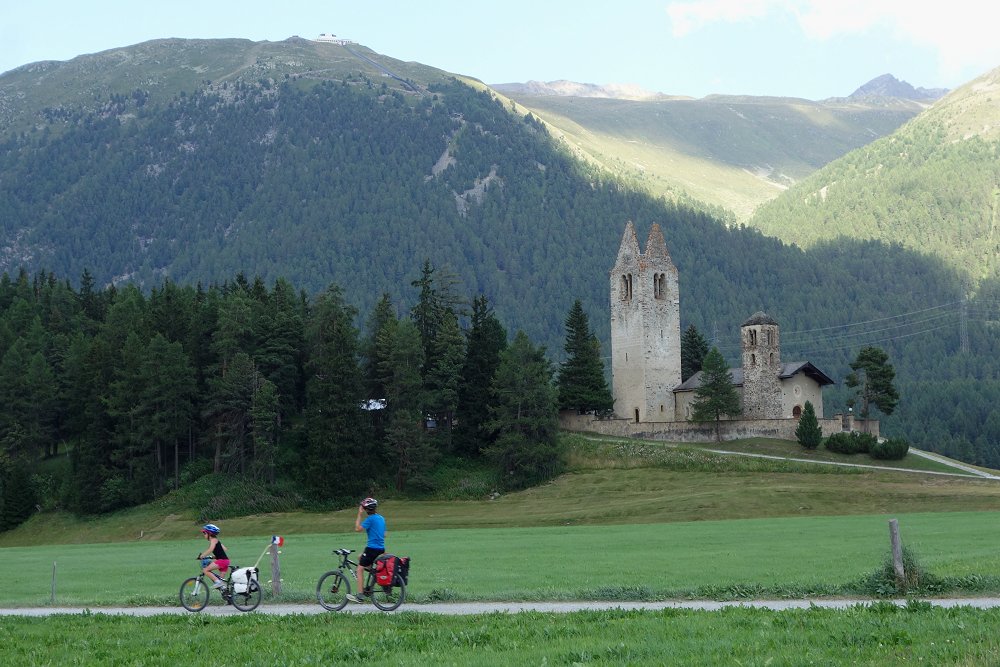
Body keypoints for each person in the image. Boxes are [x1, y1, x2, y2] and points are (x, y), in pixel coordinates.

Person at [347, 497, 386, 603]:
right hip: (381, 549)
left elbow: (357, 529)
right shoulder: (381, 518)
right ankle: (372, 575)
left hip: (371, 549)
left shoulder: (370, 519)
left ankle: (360, 596)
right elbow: (384, 534)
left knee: (359, 569)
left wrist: (359, 514)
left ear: (365, 509)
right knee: (360, 557)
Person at [197, 523, 230, 589]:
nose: (204, 535)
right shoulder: (216, 541)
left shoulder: (213, 540)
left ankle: (218, 583)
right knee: (221, 586)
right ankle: (227, 593)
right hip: (226, 561)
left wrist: (202, 556)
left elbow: (210, 549)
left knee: (205, 570)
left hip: (222, 561)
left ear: (210, 534)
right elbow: (224, 549)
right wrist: (213, 556)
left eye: (204, 533)